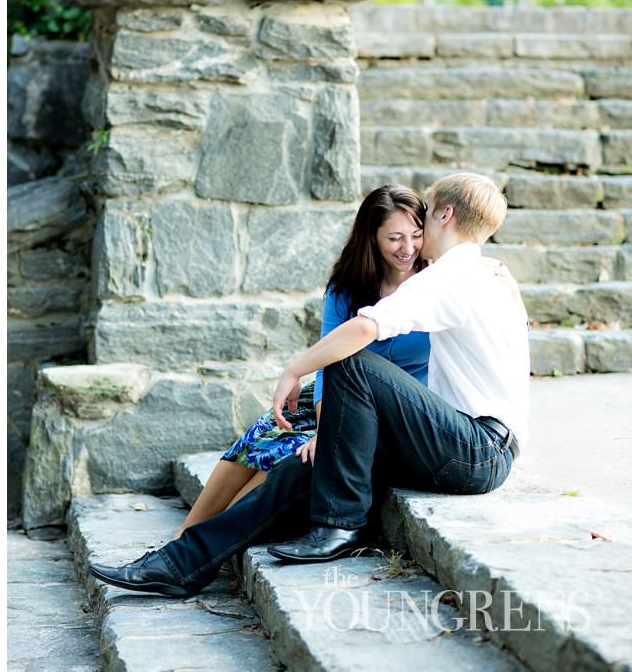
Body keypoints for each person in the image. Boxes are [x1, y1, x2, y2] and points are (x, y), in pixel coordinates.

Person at [91, 172, 528, 597]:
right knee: (299, 468)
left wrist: (294, 369)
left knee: (350, 358)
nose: (415, 237)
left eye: (427, 214)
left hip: (478, 447)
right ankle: (182, 564)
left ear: (445, 214)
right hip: (457, 444)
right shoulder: (477, 273)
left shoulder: (454, 275)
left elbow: (367, 327)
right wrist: (334, 430)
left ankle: (339, 523)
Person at [175, 185, 431, 538]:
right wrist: (324, 426)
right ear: (371, 238)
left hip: (395, 407)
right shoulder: (347, 288)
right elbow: (329, 365)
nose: (408, 249)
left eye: (417, 235)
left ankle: (209, 540)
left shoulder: (435, 283)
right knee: (264, 433)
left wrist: (326, 437)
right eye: (395, 238)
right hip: (339, 392)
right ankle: (184, 535)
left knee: (290, 455)